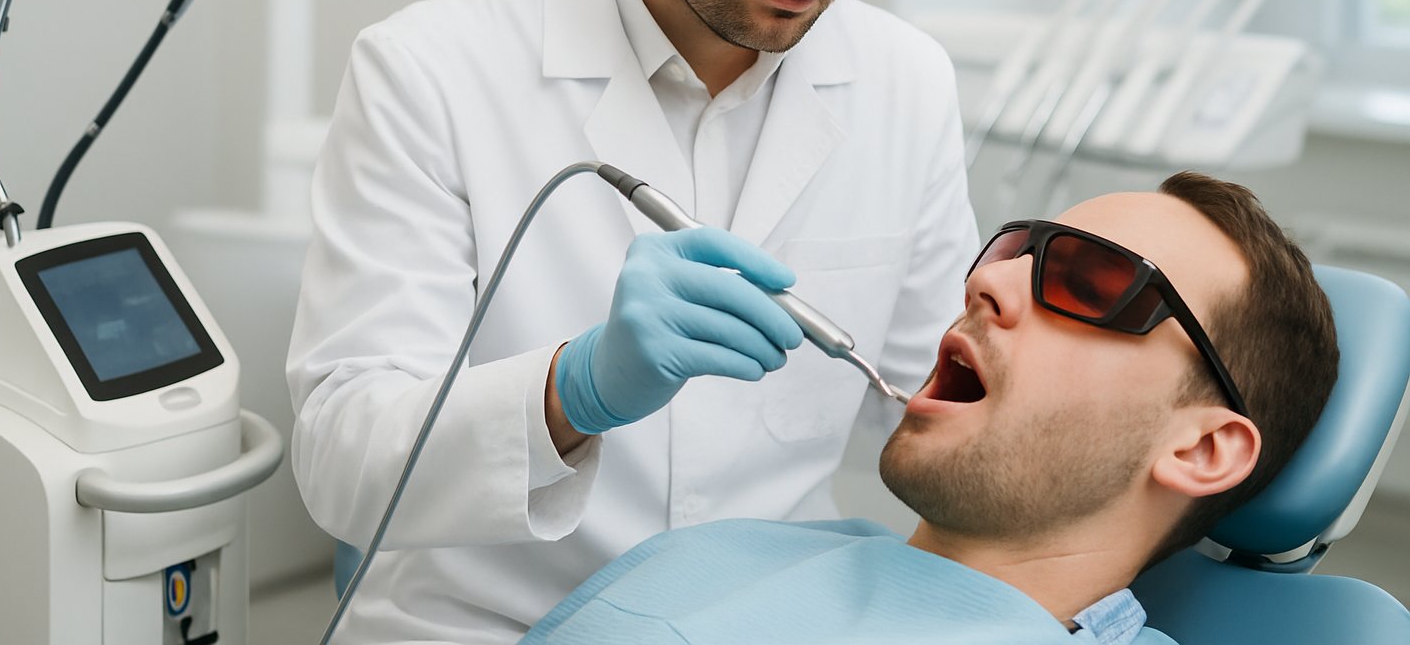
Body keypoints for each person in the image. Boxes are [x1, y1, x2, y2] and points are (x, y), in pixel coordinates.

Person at [287, 0, 978, 643]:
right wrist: (574, 390)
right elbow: (342, 466)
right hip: (488, 627)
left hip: (763, 623)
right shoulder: (429, 69)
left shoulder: (904, 83)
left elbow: (923, 408)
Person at [520, 172, 1340, 644]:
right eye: (1015, 251)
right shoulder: (722, 553)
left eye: (1089, 282)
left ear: (1202, 450)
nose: (988, 281)